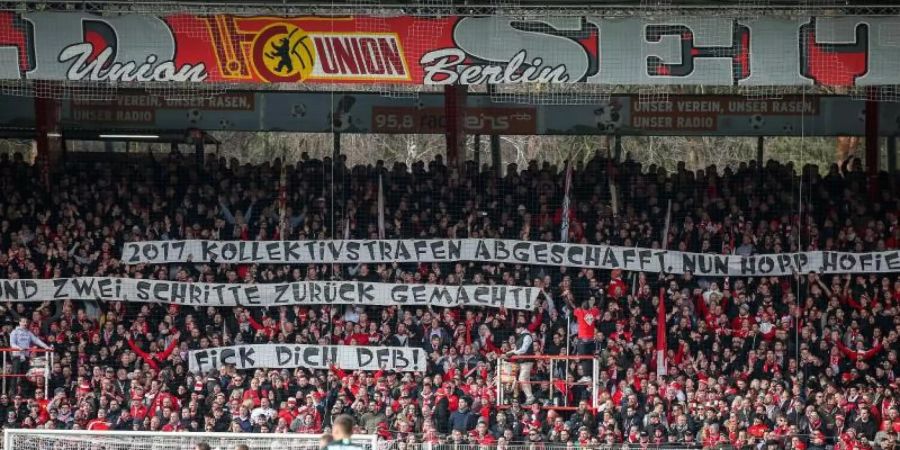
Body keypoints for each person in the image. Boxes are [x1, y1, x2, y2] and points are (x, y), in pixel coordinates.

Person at [8, 318, 52, 395]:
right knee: (15, 374)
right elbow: (12, 343)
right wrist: (19, 348)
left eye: (26, 322)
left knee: (26, 375)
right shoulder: (14, 332)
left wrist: (46, 347)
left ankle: (25, 394)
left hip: (26, 356)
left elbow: (36, 340)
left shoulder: (28, 333)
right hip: (17, 356)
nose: (25, 323)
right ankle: (12, 393)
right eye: (23, 322)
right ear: (20, 322)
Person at [506, 322, 535, 405]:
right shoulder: (522, 336)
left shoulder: (527, 336)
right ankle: (529, 398)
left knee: (522, 379)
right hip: (523, 361)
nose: (516, 330)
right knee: (525, 380)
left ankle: (530, 397)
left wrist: (512, 352)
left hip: (527, 361)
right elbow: (519, 349)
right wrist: (511, 352)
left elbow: (523, 349)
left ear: (521, 328)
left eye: (517, 328)